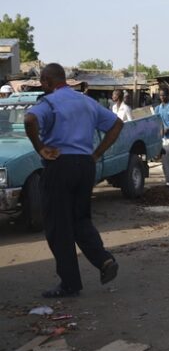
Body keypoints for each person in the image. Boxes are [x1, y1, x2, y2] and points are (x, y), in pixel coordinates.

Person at [23, 63, 123, 298]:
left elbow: (29, 121)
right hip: (85, 165)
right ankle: (104, 260)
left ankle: (70, 283)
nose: (41, 86)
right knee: (80, 219)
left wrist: (40, 148)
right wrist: (97, 154)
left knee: (58, 225)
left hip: (60, 165)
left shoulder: (48, 103)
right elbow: (117, 125)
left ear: (47, 81)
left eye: (42, 82)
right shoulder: (87, 101)